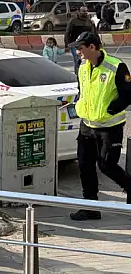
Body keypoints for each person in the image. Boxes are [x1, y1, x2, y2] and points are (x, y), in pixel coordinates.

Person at [68, 32, 131, 221]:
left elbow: (128, 94)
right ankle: (90, 207)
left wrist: (112, 109)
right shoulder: (82, 66)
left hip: (109, 127)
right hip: (87, 124)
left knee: (106, 165)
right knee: (85, 165)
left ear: (93, 47)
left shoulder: (116, 66)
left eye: (81, 47)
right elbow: (83, 90)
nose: (77, 51)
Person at [65, 6, 98, 75]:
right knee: (78, 61)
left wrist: (98, 43)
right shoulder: (73, 21)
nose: (85, 13)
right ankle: (78, 75)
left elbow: (94, 33)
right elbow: (67, 33)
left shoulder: (90, 22)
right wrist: (67, 45)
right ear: (79, 12)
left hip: (87, 45)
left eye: (86, 11)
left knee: (86, 61)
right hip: (75, 45)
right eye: (83, 11)